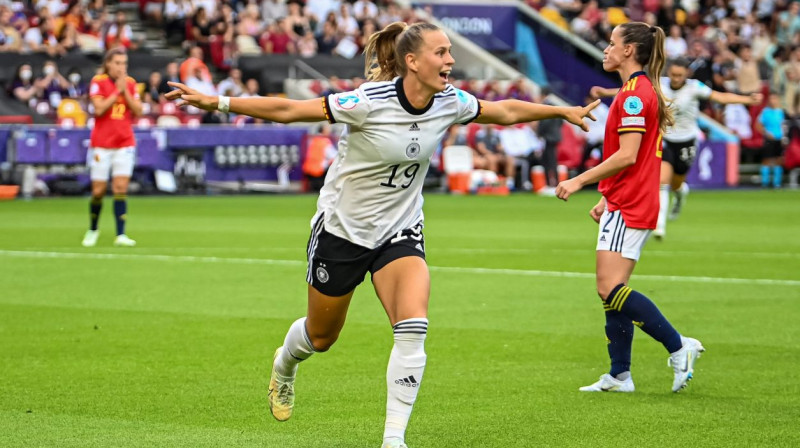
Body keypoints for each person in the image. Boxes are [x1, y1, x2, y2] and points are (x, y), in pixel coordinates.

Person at [166, 21, 598, 448]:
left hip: (400, 229)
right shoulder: (367, 101)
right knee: (321, 337)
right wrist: (216, 101)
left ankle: (394, 439)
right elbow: (289, 110)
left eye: (450, 51)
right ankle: (284, 365)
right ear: (412, 61)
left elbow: (503, 111)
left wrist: (561, 110)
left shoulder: (449, 100)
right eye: (441, 52)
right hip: (343, 231)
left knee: (413, 327)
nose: (450, 60)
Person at [556, 22, 705, 394]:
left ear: (628, 51)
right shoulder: (635, 90)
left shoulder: (636, 94)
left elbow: (627, 155)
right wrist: (607, 195)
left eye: (611, 43)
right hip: (625, 199)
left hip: (633, 204)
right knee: (612, 288)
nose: (606, 50)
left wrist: (580, 180)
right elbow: (636, 162)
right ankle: (620, 374)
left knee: (609, 287)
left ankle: (678, 345)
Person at [591, 57, 762, 239]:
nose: (676, 78)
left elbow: (720, 97)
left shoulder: (695, 87)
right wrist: (605, 92)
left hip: (686, 141)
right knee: (662, 182)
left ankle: (680, 194)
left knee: (676, 183)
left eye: (680, 75)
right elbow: (631, 92)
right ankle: (659, 225)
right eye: (673, 74)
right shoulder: (659, 84)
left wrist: (748, 100)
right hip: (663, 138)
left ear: (686, 74)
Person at [81, 47, 142, 248]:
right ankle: (93, 228)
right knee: (98, 191)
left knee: (120, 188)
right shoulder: (98, 82)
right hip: (102, 144)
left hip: (124, 142)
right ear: (108, 64)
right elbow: (98, 110)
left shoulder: (131, 84)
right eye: (117, 63)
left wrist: (126, 92)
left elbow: (139, 111)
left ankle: (121, 234)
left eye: (124, 63)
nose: (121, 67)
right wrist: (117, 90)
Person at [756, 92, 786, 188]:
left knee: (778, 160)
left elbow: (783, 125)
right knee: (766, 160)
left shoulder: (781, 112)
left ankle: (777, 183)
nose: (773, 101)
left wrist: (784, 137)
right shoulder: (765, 112)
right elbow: (758, 125)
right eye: (771, 99)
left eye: (775, 99)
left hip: (779, 139)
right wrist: (766, 133)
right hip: (769, 139)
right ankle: (765, 183)